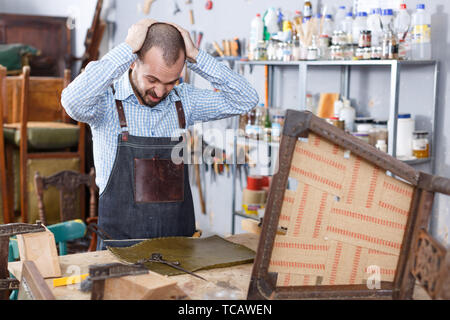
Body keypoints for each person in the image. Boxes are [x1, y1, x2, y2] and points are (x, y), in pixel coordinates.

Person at [61, 19, 259, 249]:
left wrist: (196, 57)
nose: (160, 91)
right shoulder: (105, 103)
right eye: (152, 80)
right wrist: (126, 48)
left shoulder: (184, 101)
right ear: (133, 62)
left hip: (178, 250)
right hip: (119, 252)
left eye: (171, 82)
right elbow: (72, 102)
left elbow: (245, 99)